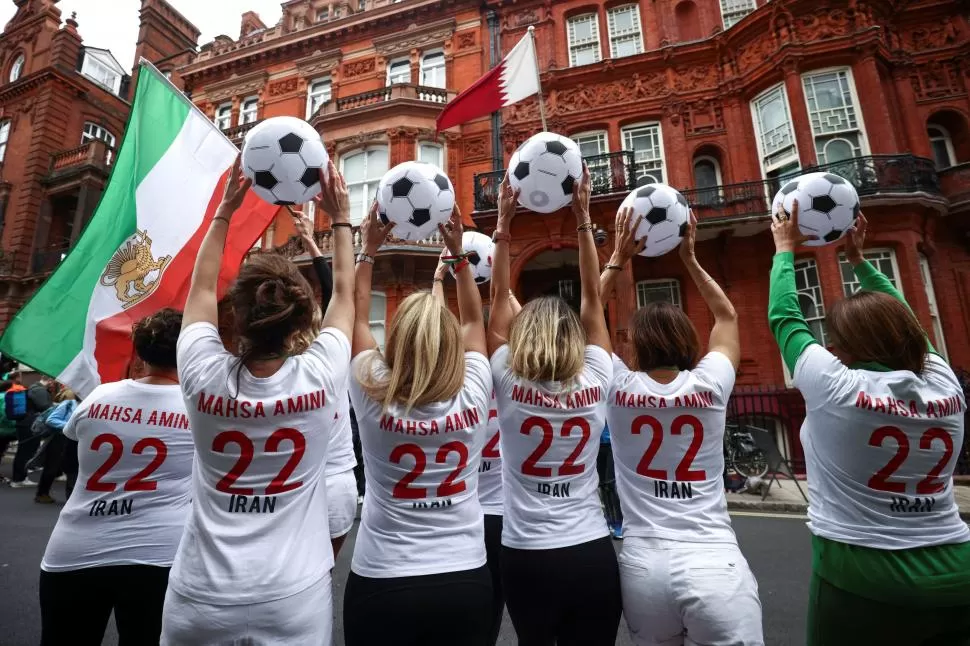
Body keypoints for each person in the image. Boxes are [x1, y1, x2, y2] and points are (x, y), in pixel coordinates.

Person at [161, 159, 354, 646]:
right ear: (301, 316)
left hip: (201, 593)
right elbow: (347, 295)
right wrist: (343, 218)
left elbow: (201, 287)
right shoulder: (323, 373)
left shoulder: (201, 373)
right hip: (293, 595)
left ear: (238, 315)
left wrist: (223, 211)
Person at [769, 207, 970, 645]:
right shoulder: (945, 387)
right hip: (957, 573)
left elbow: (785, 317)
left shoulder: (836, 387)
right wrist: (859, 262)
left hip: (861, 575)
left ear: (842, 348)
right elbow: (910, 324)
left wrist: (785, 248)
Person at [602, 207, 764, 645]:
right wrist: (689, 258)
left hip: (643, 566)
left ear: (635, 344)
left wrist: (618, 255)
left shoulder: (616, 385)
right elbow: (728, 316)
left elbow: (586, 316)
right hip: (714, 562)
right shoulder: (710, 384)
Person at [345, 204, 492, 646]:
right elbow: (472, 319)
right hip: (464, 575)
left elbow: (354, 315)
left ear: (396, 338)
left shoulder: (371, 393)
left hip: (383, 576)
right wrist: (457, 256)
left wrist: (366, 251)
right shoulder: (474, 390)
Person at [488, 169, 621, 646]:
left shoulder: (504, 372)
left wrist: (503, 224)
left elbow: (499, 293)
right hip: (590, 550)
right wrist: (582, 217)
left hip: (526, 554)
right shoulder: (596, 375)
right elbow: (591, 296)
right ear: (574, 336)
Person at [38, 308, 194, 646]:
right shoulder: (196, 409)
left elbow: (73, 436)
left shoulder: (99, 396)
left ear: (138, 353)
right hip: (158, 555)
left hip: (75, 548)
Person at [432, 260, 518, 646]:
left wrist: (438, 281)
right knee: (492, 610)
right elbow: (501, 327)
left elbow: (438, 331)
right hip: (502, 517)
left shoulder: (455, 390)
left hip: (460, 515)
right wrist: (506, 293)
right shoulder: (505, 378)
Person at [293, 209, 358, 557]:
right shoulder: (329, 364)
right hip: (335, 488)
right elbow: (340, 293)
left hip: (286, 489)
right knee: (321, 571)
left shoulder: (266, 374)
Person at [34, 388, 80, 504]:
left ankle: (71, 499)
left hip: (73, 439)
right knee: (52, 467)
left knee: (72, 469)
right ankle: (42, 493)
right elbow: (51, 420)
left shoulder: (87, 405)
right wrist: (70, 426)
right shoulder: (68, 404)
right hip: (59, 438)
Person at [9, 372, 52, 487]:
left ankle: (20, 478)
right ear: (47, 379)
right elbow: (45, 407)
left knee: (23, 451)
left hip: (23, 423)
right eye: (51, 381)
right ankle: (19, 479)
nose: (52, 383)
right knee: (25, 452)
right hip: (29, 424)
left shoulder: (32, 389)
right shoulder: (39, 390)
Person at [596, 421, 623, 540]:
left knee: (611, 485)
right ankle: (609, 520)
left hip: (611, 444)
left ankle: (620, 524)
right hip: (596, 444)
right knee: (601, 485)